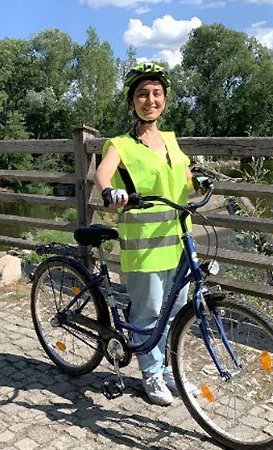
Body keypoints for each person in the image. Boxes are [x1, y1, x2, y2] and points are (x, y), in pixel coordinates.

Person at [94, 62, 206, 406]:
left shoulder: (171, 141)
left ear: (165, 101)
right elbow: (102, 173)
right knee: (148, 312)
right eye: (143, 94)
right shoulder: (120, 144)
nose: (150, 99)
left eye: (157, 93)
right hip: (144, 243)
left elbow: (182, 177)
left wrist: (197, 181)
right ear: (132, 102)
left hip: (178, 238)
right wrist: (109, 191)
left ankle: (169, 365)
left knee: (176, 310)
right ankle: (151, 373)